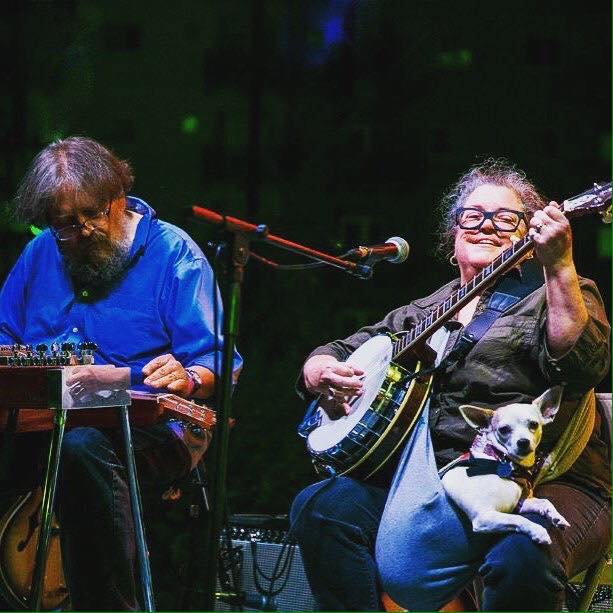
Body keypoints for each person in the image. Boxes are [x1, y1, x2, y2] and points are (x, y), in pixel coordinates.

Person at [290, 160, 611, 611]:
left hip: (543, 479)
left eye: (506, 218)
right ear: (454, 233)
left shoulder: (559, 291)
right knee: (322, 507)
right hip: (436, 482)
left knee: (523, 553)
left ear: (529, 234)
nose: (487, 226)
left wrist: (558, 266)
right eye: (472, 215)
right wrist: (319, 369)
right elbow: (344, 347)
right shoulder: (429, 308)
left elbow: (582, 366)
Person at [0, 136, 242, 611]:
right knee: (67, 443)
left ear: (118, 197)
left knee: (83, 448)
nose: (84, 230)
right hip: (43, 424)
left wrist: (188, 374)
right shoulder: (41, 255)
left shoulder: (175, 254)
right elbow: (6, 336)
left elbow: (219, 361)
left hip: (157, 431)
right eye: (65, 225)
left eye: (93, 213)